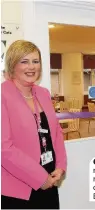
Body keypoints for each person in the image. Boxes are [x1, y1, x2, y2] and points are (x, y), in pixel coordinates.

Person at [1, 40, 67, 209]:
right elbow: (4, 148)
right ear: (12, 64)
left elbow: (56, 133)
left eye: (35, 61)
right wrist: (40, 178)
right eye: (24, 61)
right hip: (19, 187)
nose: (31, 67)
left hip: (50, 178)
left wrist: (60, 166)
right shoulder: (3, 95)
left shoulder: (43, 93)